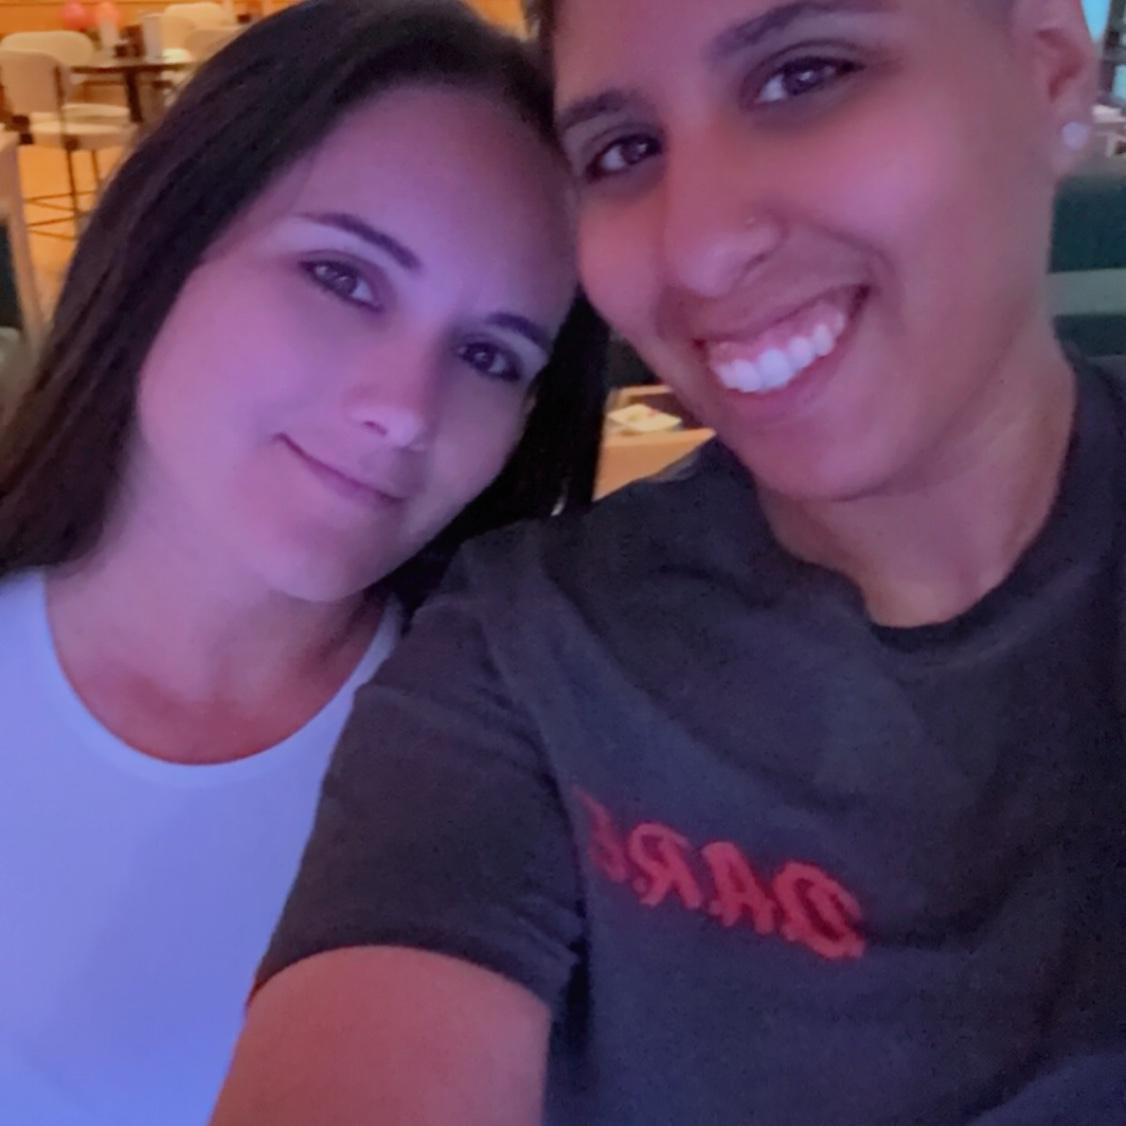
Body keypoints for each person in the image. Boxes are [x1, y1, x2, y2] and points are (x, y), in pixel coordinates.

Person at [214, 0, 1126, 1123]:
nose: (697, 248)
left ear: (1048, 68)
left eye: (805, 75)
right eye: (623, 151)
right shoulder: (524, 660)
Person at [0, 0, 607, 1121]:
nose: (404, 408)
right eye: (343, 277)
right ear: (165, 236)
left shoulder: (537, 755)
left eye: (488, 354)